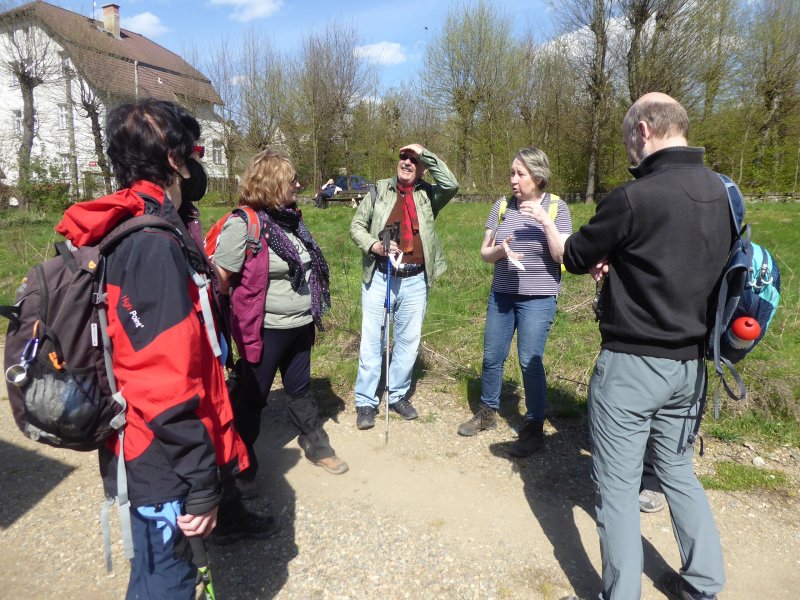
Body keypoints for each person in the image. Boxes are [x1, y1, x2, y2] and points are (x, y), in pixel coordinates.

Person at [54, 98, 251, 599]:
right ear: (173, 159)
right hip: (162, 461)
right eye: (192, 151)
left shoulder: (139, 224)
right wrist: (203, 483)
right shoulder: (152, 244)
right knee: (170, 581)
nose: (196, 163)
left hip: (148, 450)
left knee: (153, 577)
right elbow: (162, 380)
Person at [562, 92, 729, 600]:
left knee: (617, 490)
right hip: (692, 366)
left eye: (627, 140)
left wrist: (562, 238)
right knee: (678, 471)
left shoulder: (633, 197)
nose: (628, 153)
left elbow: (573, 255)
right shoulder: (723, 192)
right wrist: (623, 262)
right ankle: (704, 583)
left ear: (643, 131)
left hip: (633, 364)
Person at [171, 108, 280, 542]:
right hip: (183, 348)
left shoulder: (186, 214)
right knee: (200, 421)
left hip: (208, 338)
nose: (198, 166)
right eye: (192, 156)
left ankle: (223, 507)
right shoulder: (157, 227)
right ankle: (210, 513)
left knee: (216, 418)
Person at [213, 148, 349, 476]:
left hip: (300, 325)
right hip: (265, 330)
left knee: (300, 390)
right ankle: (239, 462)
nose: (299, 185)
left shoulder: (292, 221)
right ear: (272, 183)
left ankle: (316, 445)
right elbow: (219, 281)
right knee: (252, 398)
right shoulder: (243, 224)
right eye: (292, 180)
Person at [457, 148, 572, 457]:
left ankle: (534, 426)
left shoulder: (558, 207)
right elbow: (485, 253)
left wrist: (545, 222)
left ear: (538, 176)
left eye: (520, 174)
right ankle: (488, 412)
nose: (513, 180)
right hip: (502, 294)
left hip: (539, 297)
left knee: (529, 361)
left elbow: (563, 255)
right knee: (492, 355)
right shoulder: (502, 206)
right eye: (512, 173)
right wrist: (501, 250)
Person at [349, 144, 459, 429]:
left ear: (422, 167)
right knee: (373, 341)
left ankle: (397, 395)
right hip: (380, 277)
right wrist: (373, 245)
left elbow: (452, 183)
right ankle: (365, 402)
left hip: (415, 280)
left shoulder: (428, 195)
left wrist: (426, 153)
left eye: (414, 160)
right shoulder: (378, 191)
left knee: (408, 343)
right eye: (403, 158)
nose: (407, 163)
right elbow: (356, 226)